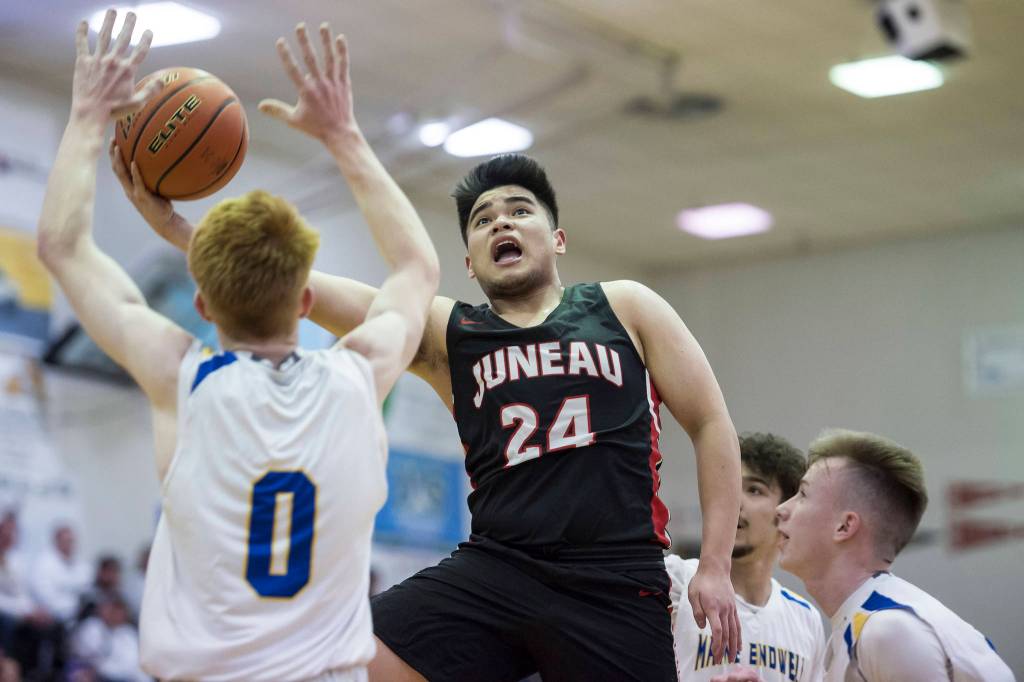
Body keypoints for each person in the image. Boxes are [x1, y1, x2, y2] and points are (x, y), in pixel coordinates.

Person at [118, 46, 742, 682]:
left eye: (520, 210)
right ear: (470, 260)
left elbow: (711, 422)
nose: (501, 221)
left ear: (556, 239)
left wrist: (714, 563)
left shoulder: (624, 305)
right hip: (500, 567)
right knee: (354, 656)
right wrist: (179, 231)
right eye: (482, 219)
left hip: (612, 573)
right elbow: (289, 282)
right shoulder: (452, 332)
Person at [38, 11, 439, 682]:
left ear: (200, 305)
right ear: (306, 300)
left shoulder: (182, 378)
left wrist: (85, 115)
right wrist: (342, 134)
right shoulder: (359, 378)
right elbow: (417, 269)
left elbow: (60, 246)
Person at [776, 429, 1013, 682]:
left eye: (802, 494)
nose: (781, 509)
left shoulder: (889, 630)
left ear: (844, 527)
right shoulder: (858, 627)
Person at [667, 433, 825, 682]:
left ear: (785, 512)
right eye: (728, 486)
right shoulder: (674, 578)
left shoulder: (806, 619)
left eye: (754, 490)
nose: (733, 501)